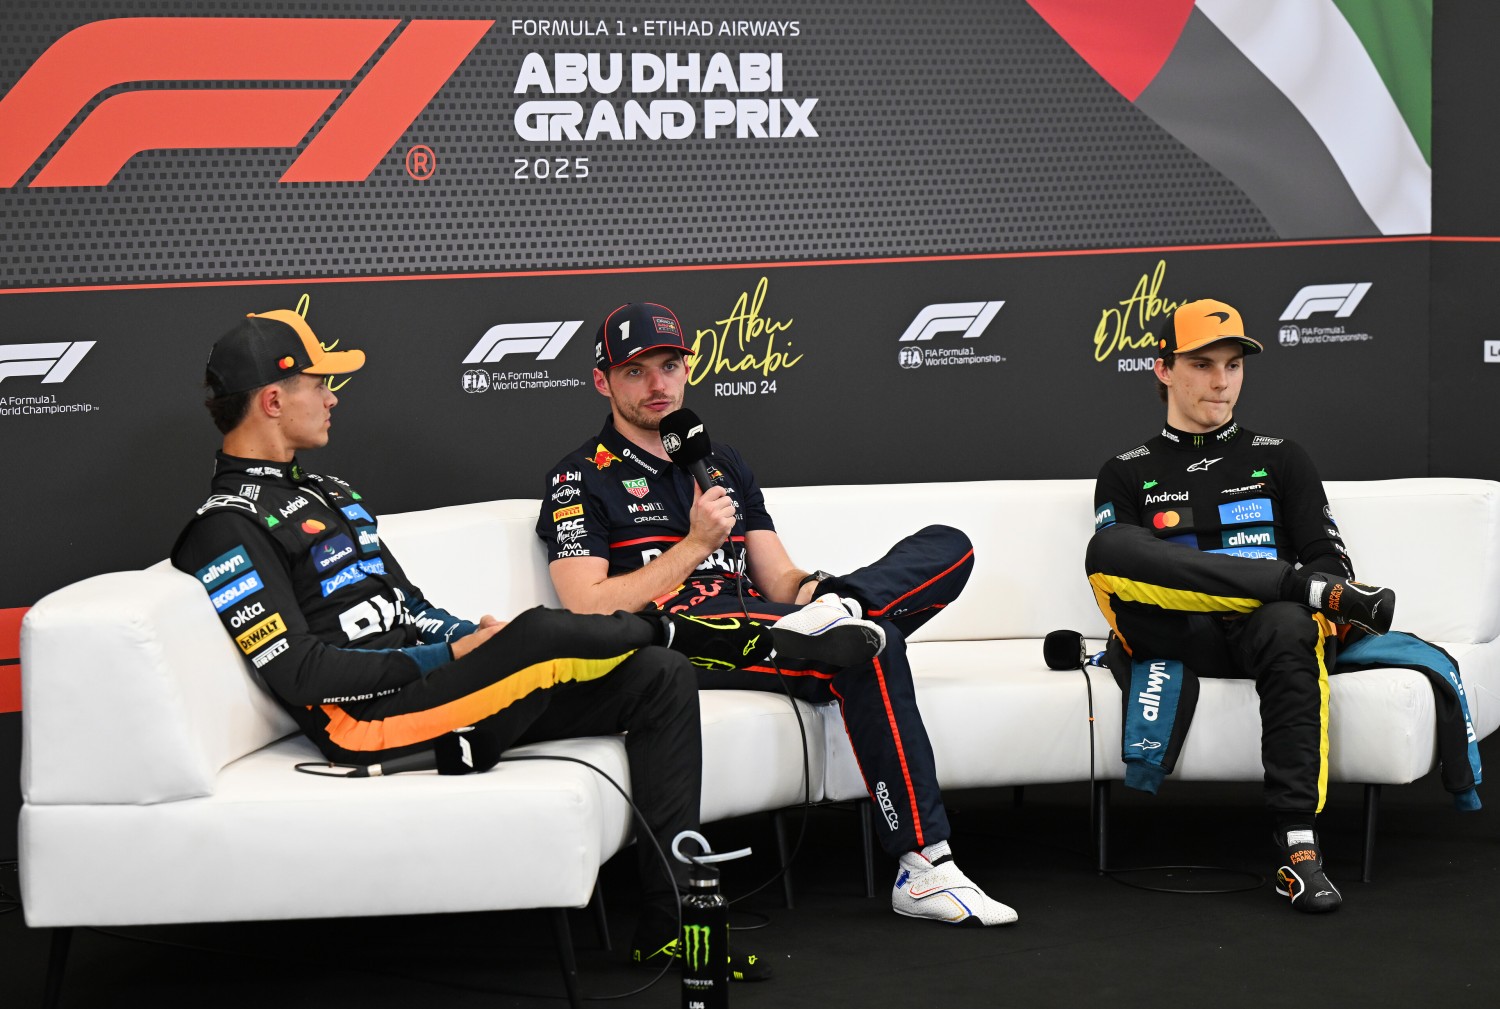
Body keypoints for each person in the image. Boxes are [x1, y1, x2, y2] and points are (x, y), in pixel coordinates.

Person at [170, 307, 863, 978]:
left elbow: (410, 607)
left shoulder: (331, 491)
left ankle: (670, 929)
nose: (332, 397)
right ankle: (712, 636)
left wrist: (468, 636)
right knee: (541, 629)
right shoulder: (224, 525)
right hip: (366, 722)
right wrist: (451, 655)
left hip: (432, 690)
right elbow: (299, 673)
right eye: (319, 383)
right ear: (272, 400)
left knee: (660, 676)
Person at [536, 301, 1018, 935]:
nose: (658, 384)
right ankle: (924, 865)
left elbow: (781, 580)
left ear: (687, 370)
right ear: (603, 381)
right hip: (687, 640)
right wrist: (694, 545)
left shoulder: (721, 462)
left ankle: (845, 608)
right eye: (636, 371)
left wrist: (820, 593)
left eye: (670, 366)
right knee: (873, 644)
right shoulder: (578, 478)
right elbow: (589, 606)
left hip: (772, 623)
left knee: (946, 546)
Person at [1086, 298, 1401, 914]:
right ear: (1163, 370)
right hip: (1180, 633)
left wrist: (1298, 593)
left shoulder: (1282, 456)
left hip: (1267, 631)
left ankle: (1298, 847)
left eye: (1233, 365)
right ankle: (1290, 587)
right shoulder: (1124, 471)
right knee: (1109, 548)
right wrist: (1291, 582)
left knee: (1290, 621)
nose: (1222, 382)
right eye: (1202, 364)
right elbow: (1119, 573)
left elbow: (1333, 568)